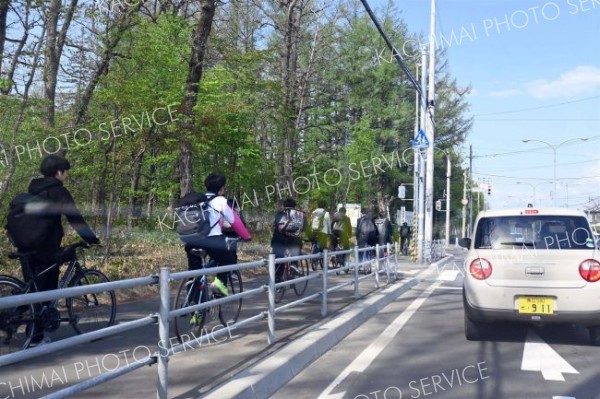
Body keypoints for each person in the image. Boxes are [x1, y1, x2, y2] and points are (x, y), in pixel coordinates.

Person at [20, 155, 101, 346]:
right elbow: (75, 218)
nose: (67, 175)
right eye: (66, 171)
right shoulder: (59, 192)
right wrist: (92, 239)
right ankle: (36, 338)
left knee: (33, 290)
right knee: (47, 290)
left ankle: (30, 330)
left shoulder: (32, 191)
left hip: (24, 245)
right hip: (46, 247)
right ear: (58, 172)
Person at [182, 173, 251, 297]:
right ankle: (219, 285)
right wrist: (246, 237)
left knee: (194, 273)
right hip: (212, 241)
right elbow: (235, 222)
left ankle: (192, 306)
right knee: (229, 259)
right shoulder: (221, 201)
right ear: (221, 188)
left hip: (190, 240)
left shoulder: (197, 200)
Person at [271, 197, 307, 282]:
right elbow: (305, 227)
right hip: (293, 240)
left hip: (279, 240)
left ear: (284, 205)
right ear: (294, 206)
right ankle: (294, 265)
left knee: (278, 258)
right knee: (297, 244)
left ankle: (277, 277)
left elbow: (278, 227)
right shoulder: (300, 214)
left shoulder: (280, 213)